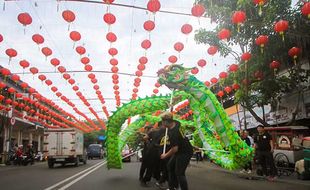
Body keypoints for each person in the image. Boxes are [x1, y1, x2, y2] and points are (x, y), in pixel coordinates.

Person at [160, 112, 193, 190]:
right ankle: (173, 187)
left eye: (162, 121)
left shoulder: (173, 133)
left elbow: (175, 149)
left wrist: (165, 155)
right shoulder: (177, 123)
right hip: (182, 149)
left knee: (179, 173)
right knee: (170, 166)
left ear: (166, 122)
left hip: (184, 153)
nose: (162, 123)